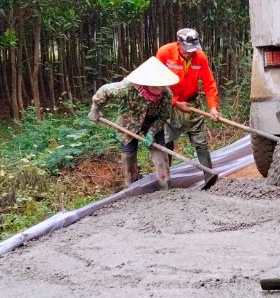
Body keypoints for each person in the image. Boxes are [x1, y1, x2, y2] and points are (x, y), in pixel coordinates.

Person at [89, 56, 178, 189]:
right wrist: (95, 109)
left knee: (160, 149)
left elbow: (163, 117)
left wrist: (151, 132)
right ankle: (132, 185)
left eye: (162, 87)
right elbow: (104, 91)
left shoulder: (166, 94)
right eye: (156, 87)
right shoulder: (127, 88)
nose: (159, 90)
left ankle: (165, 182)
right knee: (128, 153)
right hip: (129, 122)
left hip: (153, 121)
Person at [156, 28, 220, 169]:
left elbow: (209, 83)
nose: (190, 53)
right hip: (169, 103)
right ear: (178, 43)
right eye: (187, 49)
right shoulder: (165, 53)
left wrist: (213, 107)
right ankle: (165, 179)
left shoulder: (200, 57)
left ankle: (209, 176)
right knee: (165, 141)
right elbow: (156, 83)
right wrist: (175, 103)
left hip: (191, 103)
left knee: (201, 141)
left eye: (193, 49)